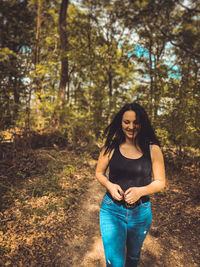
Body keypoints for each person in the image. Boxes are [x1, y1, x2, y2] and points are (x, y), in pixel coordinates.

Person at [95, 102, 166, 267]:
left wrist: (141, 191)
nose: (131, 126)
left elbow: (161, 182)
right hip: (111, 211)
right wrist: (110, 186)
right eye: (127, 122)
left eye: (136, 122)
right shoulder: (111, 147)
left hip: (140, 214)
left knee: (133, 258)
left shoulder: (152, 149)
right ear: (121, 122)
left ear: (142, 123)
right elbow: (99, 173)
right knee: (114, 263)